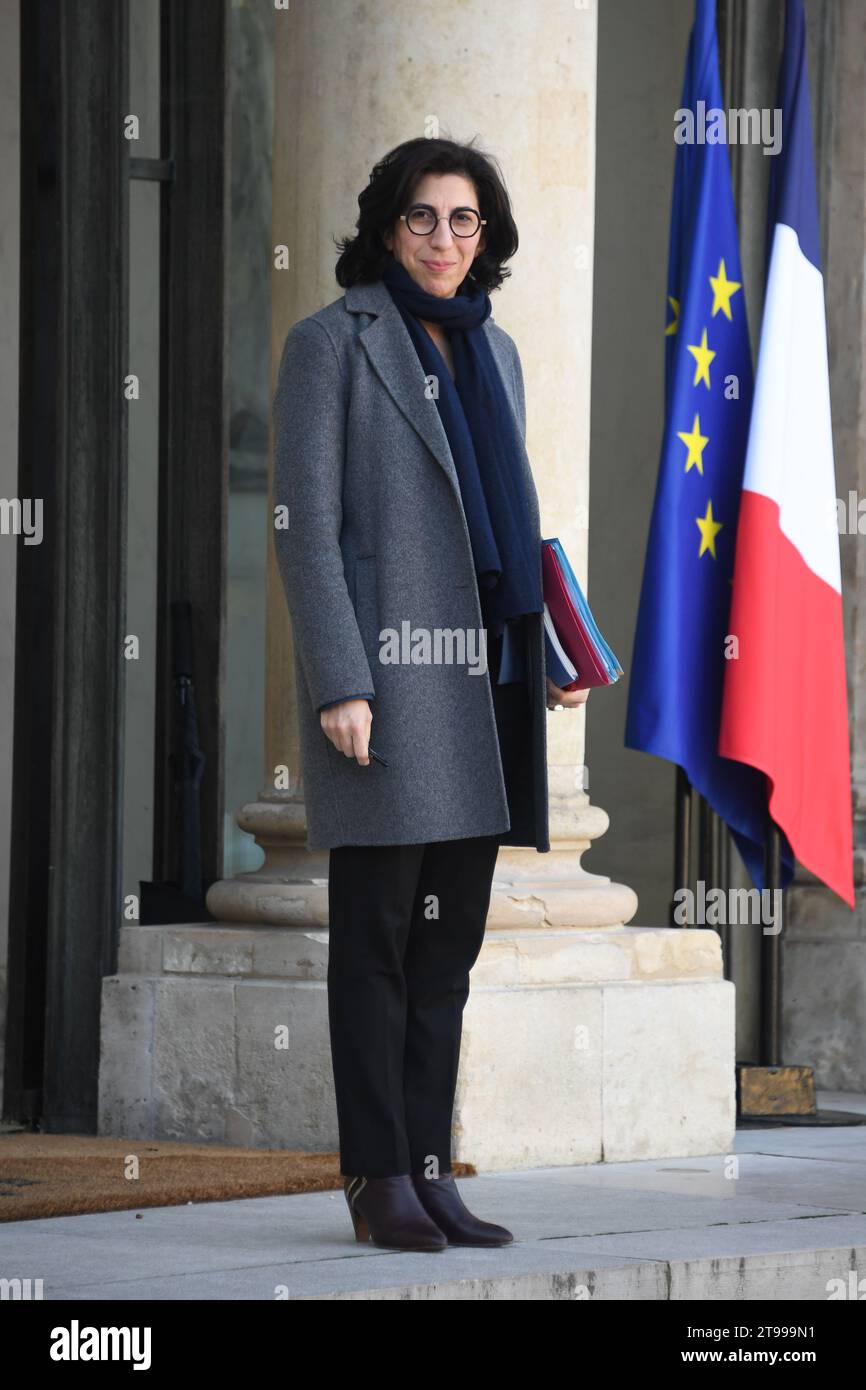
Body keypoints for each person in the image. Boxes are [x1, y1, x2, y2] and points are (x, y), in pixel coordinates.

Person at [273, 136, 588, 1252]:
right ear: (383, 226)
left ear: (486, 236)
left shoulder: (489, 351)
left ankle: (424, 1167)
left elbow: (507, 520)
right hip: (387, 684)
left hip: (485, 679)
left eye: (464, 221)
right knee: (376, 942)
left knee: (445, 951)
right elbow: (305, 527)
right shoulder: (330, 343)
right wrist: (339, 682)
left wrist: (545, 647)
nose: (444, 240)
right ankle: (373, 1179)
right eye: (422, 218)